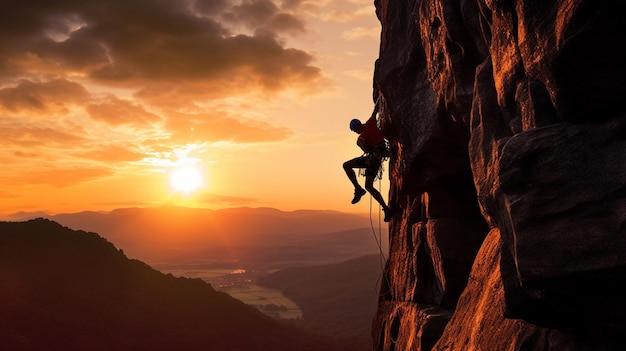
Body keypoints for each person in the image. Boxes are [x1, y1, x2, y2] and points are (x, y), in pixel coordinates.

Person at [342, 111, 394, 222]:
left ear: (358, 126)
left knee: (369, 186)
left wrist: (365, 149)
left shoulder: (361, 136)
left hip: (373, 158)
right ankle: (358, 188)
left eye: (355, 130)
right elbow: (375, 110)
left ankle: (386, 209)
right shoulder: (370, 123)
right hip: (374, 157)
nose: (356, 132)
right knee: (346, 165)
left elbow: (361, 144)